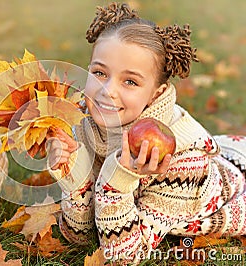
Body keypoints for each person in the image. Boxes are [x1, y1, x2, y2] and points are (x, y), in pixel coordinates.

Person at [46, 2, 246, 264]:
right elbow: (83, 238)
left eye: (130, 81)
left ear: (157, 94)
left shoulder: (179, 163)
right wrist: (73, 176)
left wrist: (117, 184)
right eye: (99, 72)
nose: (107, 90)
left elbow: (122, 256)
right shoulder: (81, 123)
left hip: (226, 184)